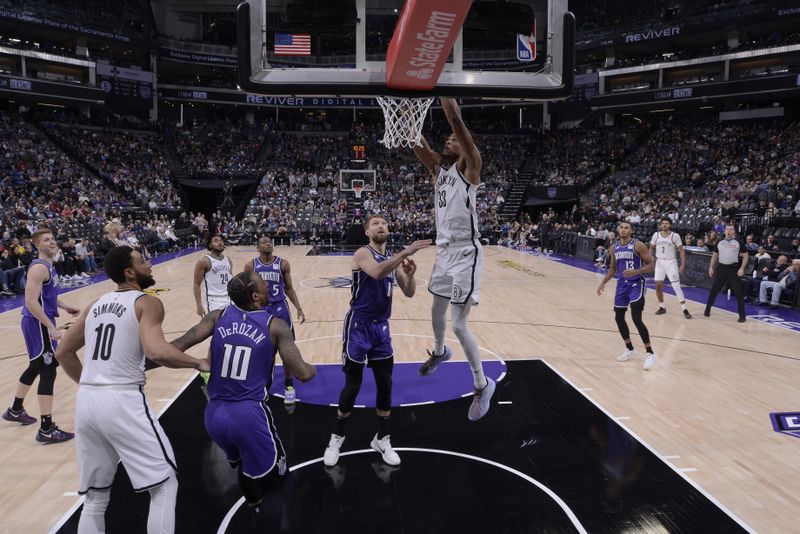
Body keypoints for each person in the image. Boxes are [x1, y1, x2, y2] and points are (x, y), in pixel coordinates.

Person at [54, 245, 210, 534]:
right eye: (142, 260)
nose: (149, 264)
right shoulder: (146, 302)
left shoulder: (95, 303)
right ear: (129, 272)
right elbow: (157, 352)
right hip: (122, 399)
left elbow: (63, 352)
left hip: (87, 401)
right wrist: (197, 362)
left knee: (95, 497)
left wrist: (93, 385)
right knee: (164, 485)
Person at [171, 271, 316, 530]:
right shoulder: (275, 325)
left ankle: (255, 510)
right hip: (249, 416)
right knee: (276, 487)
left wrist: (136, 363)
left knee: (246, 467)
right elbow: (303, 373)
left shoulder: (217, 317)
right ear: (256, 295)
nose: (266, 281)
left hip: (214, 415)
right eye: (261, 281)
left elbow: (177, 345)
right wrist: (312, 368)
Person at [412, 97, 496, 421]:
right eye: (445, 139)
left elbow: (458, 125)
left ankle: (481, 383)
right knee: (436, 308)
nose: (448, 140)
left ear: (462, 147)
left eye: (452, 140)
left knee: (460, 325)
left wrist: (446, 97)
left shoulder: (470, 167)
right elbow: (416, 143)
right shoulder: (439, 171)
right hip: (444, 251)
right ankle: (439, 352)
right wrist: (407, 116)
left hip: (466, 252)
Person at [322, 215, 429, 467]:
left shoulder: (392, 257)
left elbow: (410, 292)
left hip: (381, 328)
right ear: (367, 231)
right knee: (353, 385)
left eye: (383, 223)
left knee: (385, 384)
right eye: (375, 224)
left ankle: (382, 438)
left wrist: (410, 275)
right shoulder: (363, 253)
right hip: (358, 326)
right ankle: (336, 438)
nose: (381, 226)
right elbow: (379, 273)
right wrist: (407, 251)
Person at [2, 229, 79, 443]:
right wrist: (50, 327)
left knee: (36, 365)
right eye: (47, 240)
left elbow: (47, 295)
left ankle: (15, 409)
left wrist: (64, 306)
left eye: (53, 238)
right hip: (38, 323)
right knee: (48, 368)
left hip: (40, 321)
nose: (52, 242)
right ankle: (46, 427)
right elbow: (30, 302)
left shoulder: (48, 266)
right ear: (37, 246)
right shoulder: (38, 268)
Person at [244, 236, 307, 407]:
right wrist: (245, 310)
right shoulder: (251, 265)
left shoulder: (283, 264)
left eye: (269, 241)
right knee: (262, 349)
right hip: (260, 310)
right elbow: (247, 290)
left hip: (280, 308)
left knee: (286, 349)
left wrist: (299, 308)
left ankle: (289, 385)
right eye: (264, 242)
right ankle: (262, 385)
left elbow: (289, 288)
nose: (268, 243)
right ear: (258, 247)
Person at [597, 221, 658, 370]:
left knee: (636, 318)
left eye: (626, 228)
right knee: (618, 317)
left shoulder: (638, 245)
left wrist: (636, 272)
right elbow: (612, 268)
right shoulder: (614, 247)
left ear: (631, 231)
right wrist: (603, 282)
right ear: (618, 230)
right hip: (622, 285)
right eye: (621, 227)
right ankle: (630, 349)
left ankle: (650, 353)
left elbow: (651, 264)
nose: (623, 230)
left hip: (637, 284)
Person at [704, 224, 749, 322]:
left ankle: (742, 316)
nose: (729, 231)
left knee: (738, 293)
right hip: (721, 268)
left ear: (734, 231)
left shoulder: (739, 242)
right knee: (714, 290)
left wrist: (742, 268)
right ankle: (707, 310)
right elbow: (715, 255)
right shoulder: (719, 241)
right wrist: (711, 267)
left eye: (731, 229)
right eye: (727, 229)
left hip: (733, 269)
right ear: (724, 231)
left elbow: (746, 255)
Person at [649, 217, 692, 318]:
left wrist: (682, 264)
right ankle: (662, 306)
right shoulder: (656, 235)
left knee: (676, 286)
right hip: (659, 262)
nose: (664, 225)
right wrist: (650, 258)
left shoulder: (675, 236)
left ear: (670, 225)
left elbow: (681, 251)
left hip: (670, 262)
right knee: (658, 285)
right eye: (663, 223)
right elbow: (651, 248)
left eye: (666, 223)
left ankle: (684, 309)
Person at [193, 234, 233, 317]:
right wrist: (199, 305)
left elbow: (230, 280)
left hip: (229, 299)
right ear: (210, 245)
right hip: (213, 301)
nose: (220, 242)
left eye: (221, 240)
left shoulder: (228, 259)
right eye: (216, 241)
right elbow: (196, 285)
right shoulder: (204, 261)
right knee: (214, 328)